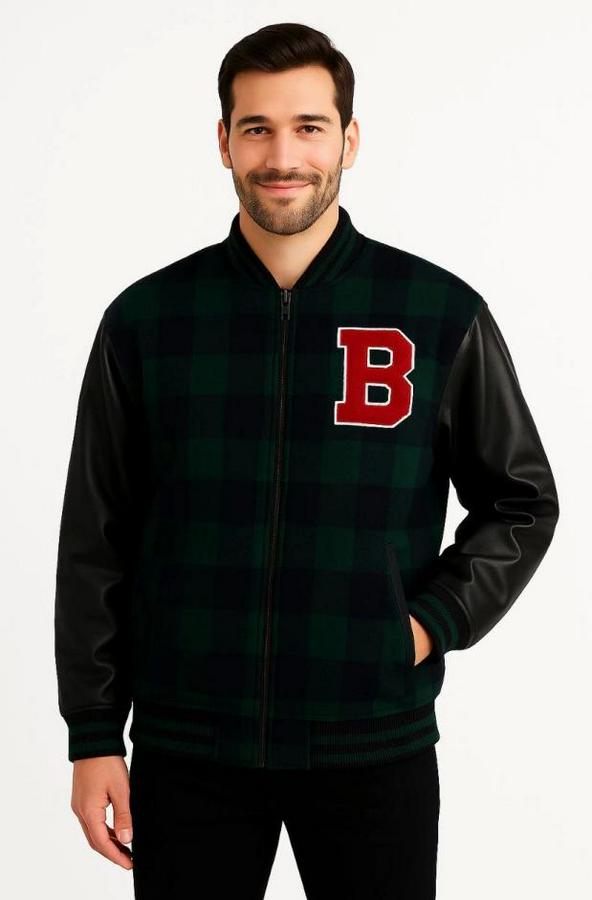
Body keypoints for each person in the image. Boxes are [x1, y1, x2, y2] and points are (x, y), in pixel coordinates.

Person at [54, 21, 560, 900]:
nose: (282, 156)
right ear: (223, 141)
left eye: (309, 127)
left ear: (349, 140)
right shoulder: (148, 321)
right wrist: (94, 733)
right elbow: (96, 537)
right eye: (257, 128)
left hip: (373, 741)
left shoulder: (436, 313)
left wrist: (424, 624)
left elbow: (522, 500)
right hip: (188, 746)